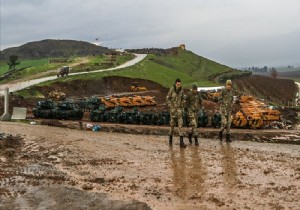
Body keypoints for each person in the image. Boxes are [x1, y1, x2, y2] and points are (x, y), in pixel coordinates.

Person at [166, 79, 186, 148]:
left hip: (179, 111)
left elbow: (183, 98)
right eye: (177, 84)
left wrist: (182, 104)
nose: (178, 85)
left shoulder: (181, 90)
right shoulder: (172, 90)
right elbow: (167, 98)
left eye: (179, 84)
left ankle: (181, 142)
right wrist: (171, 106)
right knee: (172, 126)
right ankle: (170, 141)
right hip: (173, 111)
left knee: (180, 126)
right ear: (175, 84)